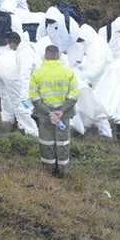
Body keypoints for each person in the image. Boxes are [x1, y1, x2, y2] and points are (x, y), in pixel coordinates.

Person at [29, 45, 79, 177]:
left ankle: (48, 171)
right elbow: (74, 94)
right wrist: (61, 111)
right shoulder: (68, 72)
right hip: (63, 115)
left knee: (46, 142)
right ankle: (63, 171)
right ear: (59, 56)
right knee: (63, 142)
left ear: (45, 56)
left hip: (44, 115)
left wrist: (48, 112)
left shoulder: (37, 73)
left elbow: (34, 97)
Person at [0, 31, 41, 135]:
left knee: (19, 106)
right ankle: (16, 123)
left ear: (10, 43)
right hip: (8, 73)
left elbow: (24, 76)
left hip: (9, 74)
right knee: (18, 104)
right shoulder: (25, 48)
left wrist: (23, 97)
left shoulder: (23, 54)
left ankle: (31, 131)